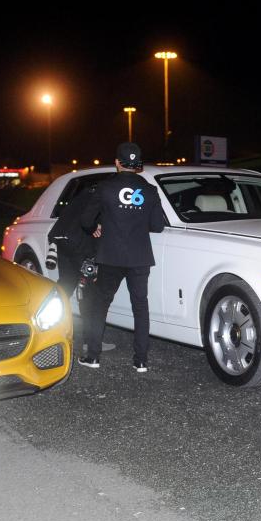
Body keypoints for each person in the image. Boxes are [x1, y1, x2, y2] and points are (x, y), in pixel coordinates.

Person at [78, 142, 164, 372]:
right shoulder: (150, 190)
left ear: (117, 162)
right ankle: (141, 361)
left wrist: (95, 226)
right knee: (140, 307)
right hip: (140, 257)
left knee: (100, 305)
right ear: (138, 166)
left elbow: (85, 220)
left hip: (110, 256)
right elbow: (157, 225)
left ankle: (93, 357)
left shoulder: (105, 188)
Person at [46, 184, 115, 352]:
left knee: (66, 286)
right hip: (80, 246)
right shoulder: (102, 197)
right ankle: (90, 342)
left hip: (62, 242)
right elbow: (89, 221)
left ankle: (47, 331)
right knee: (90, 292)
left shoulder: (85, 193)